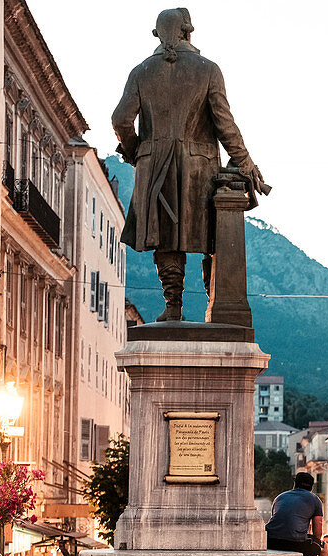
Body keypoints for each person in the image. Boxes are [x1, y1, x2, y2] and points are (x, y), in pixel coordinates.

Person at [112, 8, 268, 322]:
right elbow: (225, 125)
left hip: (155, 167)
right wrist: (246, 164)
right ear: (187, 31)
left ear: (158, 34)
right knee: (215, 234)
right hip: (201, 170)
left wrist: (137, 152)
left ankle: (173, 307)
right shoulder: (208, 70)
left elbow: (120, 120)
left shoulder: (141, 72)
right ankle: (218, 305)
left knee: (165, 236)